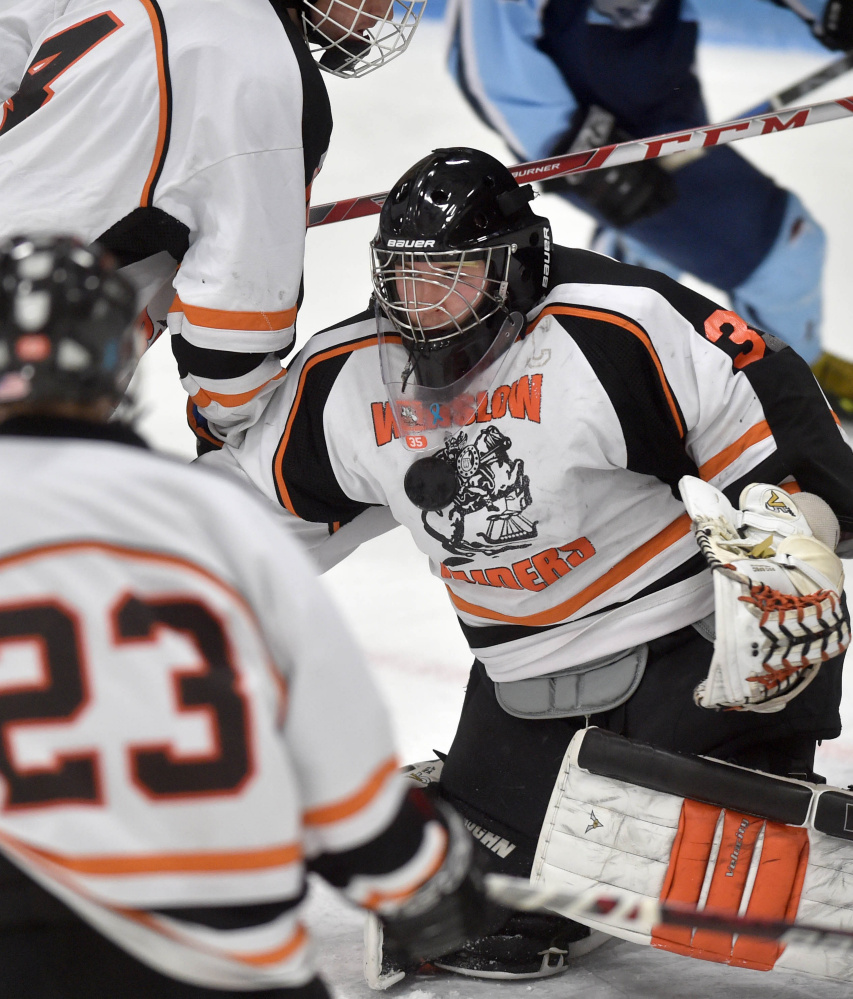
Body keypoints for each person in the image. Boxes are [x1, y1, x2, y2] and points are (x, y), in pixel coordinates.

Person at [202, 146, 853, 982]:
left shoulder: (619, 321)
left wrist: (793, 552)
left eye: (454, 277)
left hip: (695, 655)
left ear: (513, 267)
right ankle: (513, 815)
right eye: (405, 280)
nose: (425, 306)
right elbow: (230, 515)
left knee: (723, 881)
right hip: (528, 681)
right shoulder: (350, 376)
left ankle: (740, 776)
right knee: (462, 919)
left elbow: (779, 429)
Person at [0, 232, 503, 998]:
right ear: (110, 358)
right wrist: (419, 879)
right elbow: (331, 745)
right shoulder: (214, 515)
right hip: (229, 958)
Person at [0, 0, 428, 451]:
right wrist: (260, 459)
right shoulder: (265, 74)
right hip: (25, 389)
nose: (389, 11)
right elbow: (224, 352)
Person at [443, 0, 853, 413]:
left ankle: (606, 369)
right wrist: (575, 150)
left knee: (642, 258)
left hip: (665, 91)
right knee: (785, 251)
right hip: (596, 126)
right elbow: (485, 52)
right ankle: (791, 386)